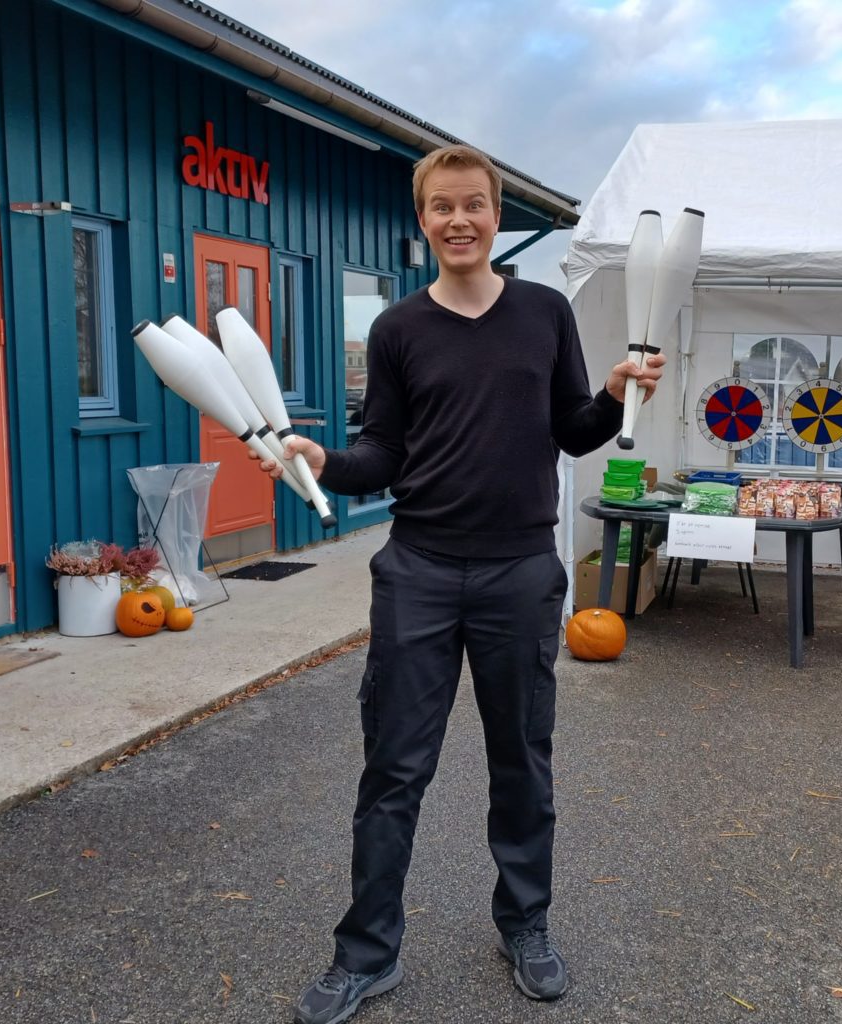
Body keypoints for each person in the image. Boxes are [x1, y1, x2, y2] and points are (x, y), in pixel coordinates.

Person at [252, 144, 666, 1024]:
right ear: (423, 220)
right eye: (442, 207)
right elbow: (382, 456)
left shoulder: (546, 313)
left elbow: (573, 428)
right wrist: (326, 457)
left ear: (494, 212)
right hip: (420, 571)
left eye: (474, 204)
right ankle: (365, 951)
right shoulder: (397, 330)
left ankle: (526, 925)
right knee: (394, 768)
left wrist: (617, 394)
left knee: (523, 760)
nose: (460, 220)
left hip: (520, 569)